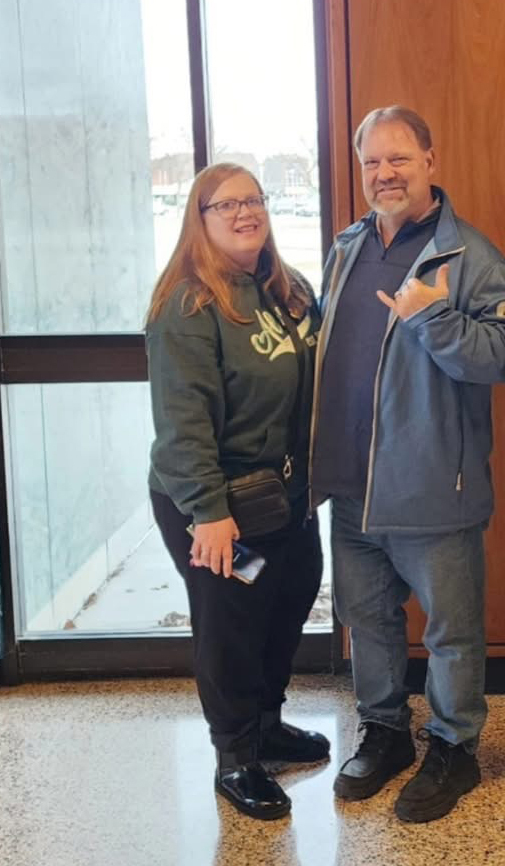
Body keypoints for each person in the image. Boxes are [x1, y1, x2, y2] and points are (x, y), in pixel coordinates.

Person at [310, 106, 505, 823]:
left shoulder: (469, 255)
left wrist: (433, 318)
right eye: (372, 162)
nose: (385, 173)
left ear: (431, 161)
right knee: (367, 618)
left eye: (399, 158)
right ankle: (383, 733)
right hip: (353, 486)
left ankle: (454, 747)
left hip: (436, 488)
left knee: (450, 632)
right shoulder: (346, 247)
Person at [146, 163, 329, 821]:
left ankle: (267, 726)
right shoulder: (190, 305)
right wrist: (209, 514)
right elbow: (181, 420)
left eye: (253, 199)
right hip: (214, 506)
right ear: (200, 220)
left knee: (288, 601)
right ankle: (236, 757)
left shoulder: (289, 289)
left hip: (283, 499)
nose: (245, 212)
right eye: (226, 205)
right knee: (231, 622)